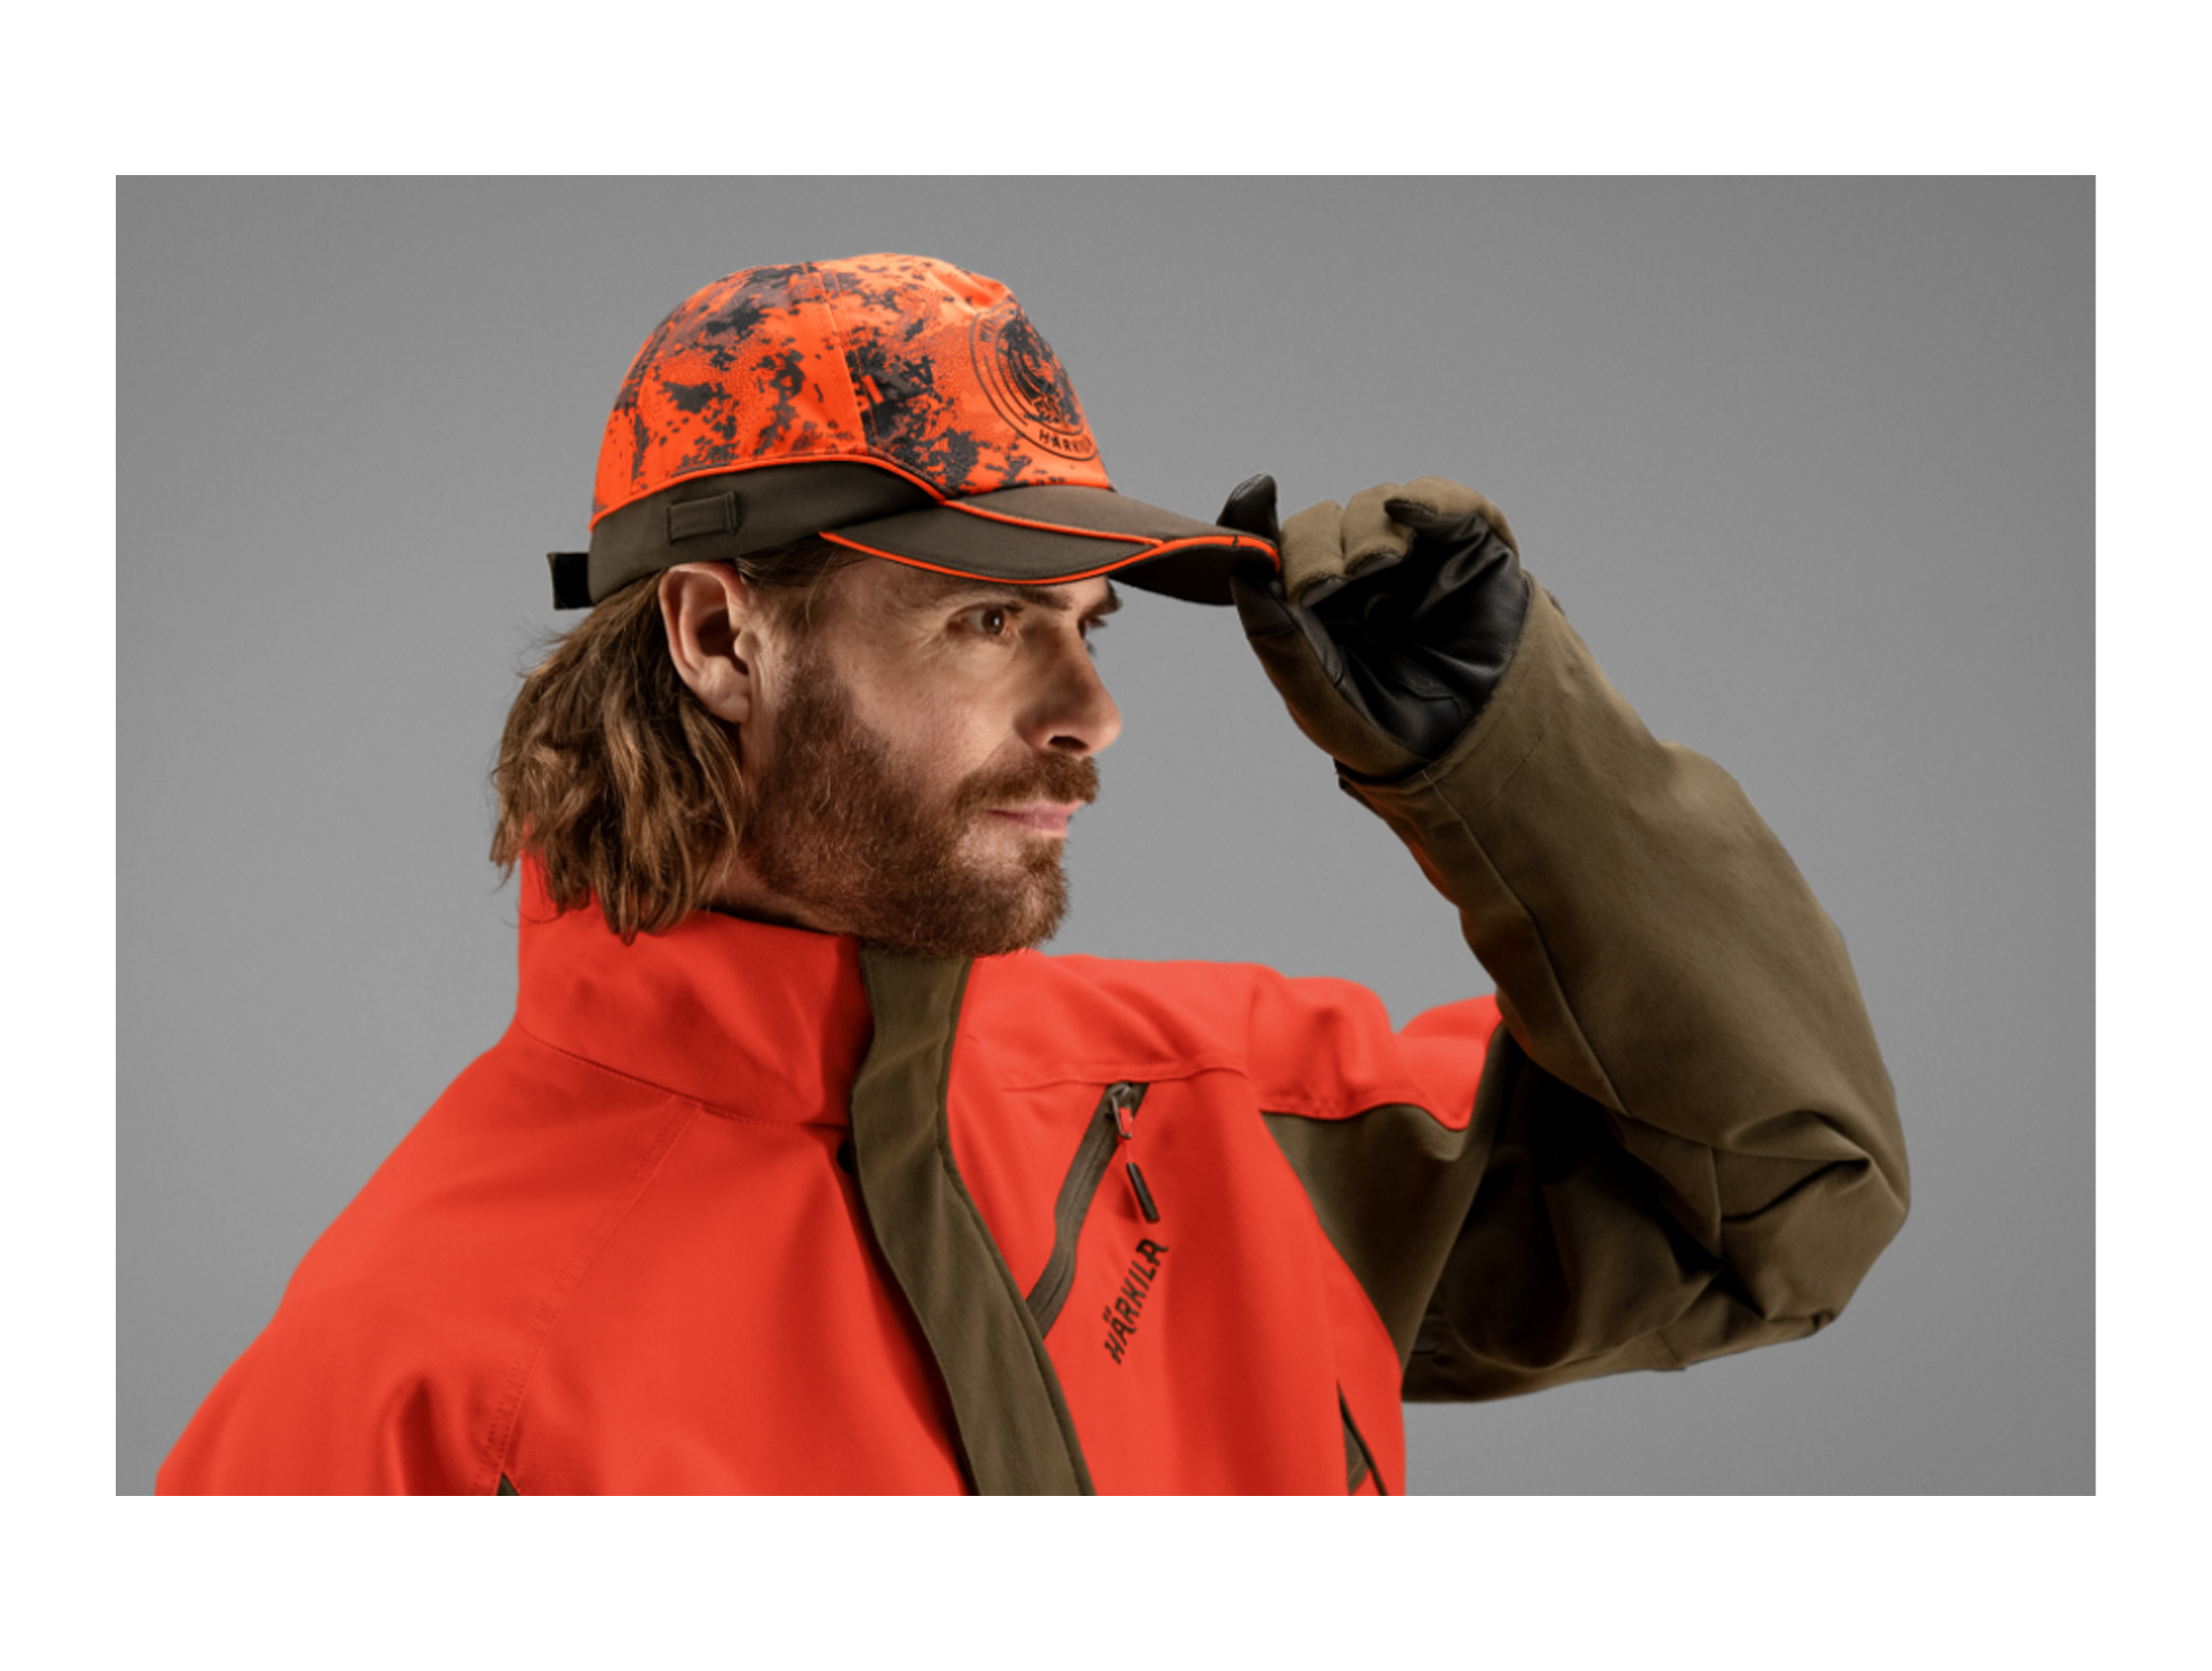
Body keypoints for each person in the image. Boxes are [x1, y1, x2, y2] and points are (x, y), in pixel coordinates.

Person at [157, 253, 1909, 1495]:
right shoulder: (413, 1382)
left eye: (1088, 624)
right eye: (989, 621)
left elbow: (1774, 1210)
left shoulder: (1223, 1106)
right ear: (717, 636)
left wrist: (1511, 754)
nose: (1094, 713)